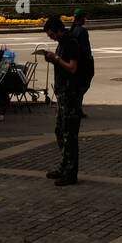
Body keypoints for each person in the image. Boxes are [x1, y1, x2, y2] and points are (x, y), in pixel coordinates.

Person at [41, 16, 83, 185]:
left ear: (59, 30)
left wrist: (56, 59)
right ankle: (64, 166)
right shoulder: (62, 43)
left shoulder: (71, 43)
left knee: (69, 133)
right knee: (60, 130)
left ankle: (71, 172)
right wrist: (53, 60)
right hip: (63, 93)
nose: (52, 38)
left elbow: (72, 68)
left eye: (52, 35)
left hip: (70, 94)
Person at [69, 6, 95, 119]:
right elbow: (85, 49)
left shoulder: (72, 30)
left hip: (75, 62)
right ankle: (76, 109)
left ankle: (76, 108)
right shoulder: (82, 31)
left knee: (78, 86)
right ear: (81, 18)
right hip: (83, 63)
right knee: (83, 86)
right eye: (84, 17)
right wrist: (89, 60)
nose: (85, 19)